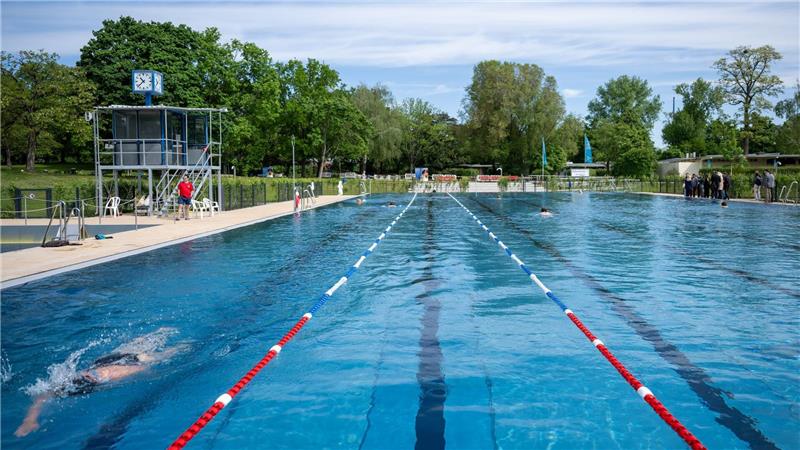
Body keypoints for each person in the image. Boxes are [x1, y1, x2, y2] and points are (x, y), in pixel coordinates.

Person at [15, 329, 181, 437]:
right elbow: (42, 396)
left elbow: (139, 368)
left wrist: (154, 373)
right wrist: (29, 419)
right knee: (141, 346)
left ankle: (176, 343)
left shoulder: (106, 376)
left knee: (168, 353)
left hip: (124, 362)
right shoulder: (74, 380)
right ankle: (161, 333)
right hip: (107, 360)